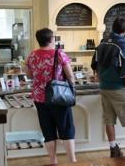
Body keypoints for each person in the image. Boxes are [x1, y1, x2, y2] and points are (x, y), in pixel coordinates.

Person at [91, 17, 125, 160]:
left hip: (104, 88)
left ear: (112, 28)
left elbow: (95, 66)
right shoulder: (123, 45)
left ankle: (113, 148)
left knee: (109, 119)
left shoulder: (102, 43)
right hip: (119, 88)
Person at [26, 28, 76, 165]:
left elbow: (29, 75)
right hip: (59, 96)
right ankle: (72, 160)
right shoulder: (59, 54)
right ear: (52, 39)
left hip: (40, 98)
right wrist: (71, 87)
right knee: (66, 128)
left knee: (47, 129)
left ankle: (53, 160)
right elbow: (70, 75)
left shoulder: (32, 55)